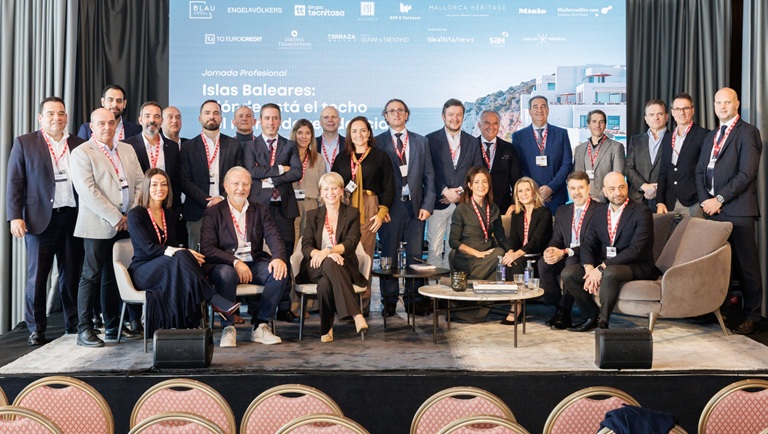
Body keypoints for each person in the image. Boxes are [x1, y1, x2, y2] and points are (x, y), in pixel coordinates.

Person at [6, 96, 85, 345]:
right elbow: (15, 182)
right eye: (50, 113)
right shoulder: (25, 143)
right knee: (38, 277)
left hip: (73, 217)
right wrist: (15, 216)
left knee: (71, 275)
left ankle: (74, 323)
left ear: (66, 117)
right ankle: (36, 328)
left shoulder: (79, 144)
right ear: (41, 117)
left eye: (60, 113)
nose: (56, 118)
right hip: (39, 219)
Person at [127, 168, 240, 338]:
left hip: (168, 268)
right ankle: (213, 299)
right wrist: (183, 252)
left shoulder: (168, 214)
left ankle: (198, 317)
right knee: (183, 254)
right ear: (146, 188)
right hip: (143, 270)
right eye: (154, 185)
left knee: (185, 256)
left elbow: (173, 245)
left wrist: (184, 252)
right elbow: (148, 248)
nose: (160, 189)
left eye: (164, 184)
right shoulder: (136, 214)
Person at [70, 108, 144, 347]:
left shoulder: (127, 149)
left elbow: (141, 182)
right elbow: (88, 191)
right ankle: (84, 329)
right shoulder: (82, 152)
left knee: (113, 276)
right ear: (92, 127)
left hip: (126, 222)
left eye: (111, 123)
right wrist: (115, 217)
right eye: (101, 123)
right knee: (90, 275)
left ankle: (113, 327)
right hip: (98, 224)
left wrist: (130, 215)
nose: (107, 128)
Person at [696, 87, 763, 335]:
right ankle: (718, 310)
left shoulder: (748, 133)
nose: (722, 107)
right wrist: (706, 201)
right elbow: (700, 170)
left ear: (737, 104)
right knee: (719, 265)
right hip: (712, 211)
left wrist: (720, 199)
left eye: (727, 102)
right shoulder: (711, 135)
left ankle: (753, 315)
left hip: (738, 210)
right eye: (718, 102)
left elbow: (747, 174)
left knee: (746, 266)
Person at [201, 167, 288, 347]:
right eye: (236, 184)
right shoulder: (213, 212)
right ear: (226, 186)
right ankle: (228, 327)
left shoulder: (260, 210)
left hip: (253, 262)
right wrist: (235, 262)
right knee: (226, 274)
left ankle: (261, 325)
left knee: (278, 272)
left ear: (250, 187)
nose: (240, 188)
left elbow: (274, 236)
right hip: (224, 264)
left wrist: (278, 258)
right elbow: (208, 249)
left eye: (245, 184)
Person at [562, 172, 659, 332]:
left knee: (610, 273)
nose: (618, 192)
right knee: (569, 274)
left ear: (627, 187)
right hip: (606, 263)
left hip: (635, 264)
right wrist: (588, 267)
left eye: (621, 187)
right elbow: (588, 244)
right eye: (612, 189)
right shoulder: (599, 212)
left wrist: (602, 267)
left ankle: (603, 322)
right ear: (604, 191)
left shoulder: (642, 212)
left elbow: (636, 250)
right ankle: (591, 315)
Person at [376, 99, 436, 317]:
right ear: (385, 116)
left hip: (416, 207)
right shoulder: (377, 142)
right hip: (390, 209)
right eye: (392, 111)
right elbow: (375, 178)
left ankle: (414, 300)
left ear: (407, 114)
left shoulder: (421, 141)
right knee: (388, 256)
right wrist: (381, 209)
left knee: (415, 256)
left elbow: (429, 175)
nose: (396, 114)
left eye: (400, 110)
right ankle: (389, 302)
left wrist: (428, 205)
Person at [243, 103, 302, 323]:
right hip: (258, 210)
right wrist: (279, 170)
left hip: (283, 210)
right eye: (267, 118)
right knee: (256, 255)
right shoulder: (250, 146)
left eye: (275, 118)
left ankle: (284, 308)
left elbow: (296, 172)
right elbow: (251, 171)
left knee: (283, 256)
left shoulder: (290, 145)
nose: (271, 122)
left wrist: (267, 178)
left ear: (280, 121)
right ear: (260, 121)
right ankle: (256, 308)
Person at [332, 116, 395, 315]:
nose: (359, 134)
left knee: (365, 256)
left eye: (363, 130)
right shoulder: (342, 158)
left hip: (369, 207)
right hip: (344, 208)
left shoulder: (380, 156)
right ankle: (345, 305)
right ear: (349, 135)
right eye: (354, 131)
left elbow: (389, 186)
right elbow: (333, 184)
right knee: (344, 256)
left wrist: (381, 213)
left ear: (369, 133)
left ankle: (363, 305)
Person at [298, 173, 369, 342]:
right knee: (329, 262)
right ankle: (356, 314)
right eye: (326, 189)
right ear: (321, 193)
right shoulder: (312, 215)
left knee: (325, 284)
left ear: (342, 191)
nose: (330, 193)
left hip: (343, 266)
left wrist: (328, 251)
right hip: (315, 265)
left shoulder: (352, 213)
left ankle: (326, 329)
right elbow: (306, 245)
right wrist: (322, 253)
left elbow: (351, 243)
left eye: (334, 188)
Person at [426, 99, 482, 270]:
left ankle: (449, 285)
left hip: (462, 204)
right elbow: (428, 171)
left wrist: (460, 192)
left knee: (454, 250)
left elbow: (477, 170)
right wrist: (445, 191)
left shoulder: (472, 141)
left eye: (459, 115)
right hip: (438, 203)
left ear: (463, 117)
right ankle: (433, 286)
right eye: (451, 114)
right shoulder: (430, 140)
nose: (455, 118)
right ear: (443, 116)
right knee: (434, 249)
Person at [180, 99, 243, 249]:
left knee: (226, 254)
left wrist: (221, 198)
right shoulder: (188, 146)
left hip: (227, 208)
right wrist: (207, 201)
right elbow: (184, 180)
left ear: (221, 118)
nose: (211, 116)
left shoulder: (234, 145)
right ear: (200, 117)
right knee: (197, 256)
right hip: (197, 211)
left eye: (216, 113)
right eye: (207, 113)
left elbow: (240, 177)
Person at [538, 171, 597, 329]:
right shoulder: (562, 210)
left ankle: (564, 312)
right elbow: (557, 239)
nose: (577, 192)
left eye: (581, 187)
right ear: (568, 189)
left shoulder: (599, 210)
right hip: (566, 253)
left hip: (586, 256)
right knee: (543, 263)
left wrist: (565, 252)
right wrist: (550, 250)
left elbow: (592, 243)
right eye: (572, 188)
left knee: (570, 262)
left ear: (589, 187)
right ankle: (558, 308)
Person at [501, 176, 553, 324]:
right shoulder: (517, 214)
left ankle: (516, 307)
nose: (523, 194)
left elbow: (537, 241)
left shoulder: (544, 213)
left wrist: (516, 254)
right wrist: (510, 252)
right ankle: (515, 303)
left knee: (517, 262)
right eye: (520, 191)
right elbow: (513, 239)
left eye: (527, 190)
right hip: (521, 255)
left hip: (537, 256)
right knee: (508, 262)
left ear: (534, 192)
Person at [512, 96, 573, 213]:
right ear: (529, 111)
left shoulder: (561, 134)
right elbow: (518, 166)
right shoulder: (519, 136)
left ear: (548, 110)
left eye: (543, 106)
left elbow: (567, 164)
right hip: (531, 198)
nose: (539, 110)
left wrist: (551, 187)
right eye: (535, 107)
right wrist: (536, 190)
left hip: (556, 197)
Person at [657, 93, 708, 217]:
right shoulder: (667, 138)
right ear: (672, 112)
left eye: (686, 108)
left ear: (692, 110)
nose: (682, 112)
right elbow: (663, 171)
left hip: (694, 203)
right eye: (678, 109)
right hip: (670, 203)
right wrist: (660, 201)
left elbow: (707, 171)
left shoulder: (704, 135)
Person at [124, 102, 181, 210]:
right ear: (140, 120)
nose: (152, 120)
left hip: (166, 208)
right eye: (147, 116)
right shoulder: (127, 146)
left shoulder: (172, 147)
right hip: (138, 206)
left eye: (157, 116)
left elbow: (176, 182)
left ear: (161, 121)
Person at [572, 110, 625, 202]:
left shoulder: (616, 147)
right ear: (588, 125)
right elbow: (576, 177)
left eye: (601, 122)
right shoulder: (579, 149)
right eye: (594, 121)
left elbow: (617, 177)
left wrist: (600, 198)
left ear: (605, 125)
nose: (597, 125)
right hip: (583, 200)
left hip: (606, 201)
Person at [625, 99, 668, 209]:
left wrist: (656, 188)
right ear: (646, 119)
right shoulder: (636, 140)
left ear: (667, 117)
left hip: (664, 199)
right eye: (651, 114)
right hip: (638, 199)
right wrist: (644, 186)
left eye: (660, 114)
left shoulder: (674, 139)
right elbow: (628, 168)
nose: (656, 118)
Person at [290, 119, 327, 246]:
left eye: (308, 133)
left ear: (312, 136)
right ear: (294, 134)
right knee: (292, 241)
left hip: (311, 204)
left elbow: (322, 186)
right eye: (300, 133)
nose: (304, 137)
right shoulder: (287, 156)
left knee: (308, 242)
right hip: (291, 204)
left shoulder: (318, 158)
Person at [477, 110, 521, 214]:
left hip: (503, 208)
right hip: (476, 207)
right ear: (479, 125)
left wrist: (514, 203)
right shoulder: (471, 146)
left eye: (495, 123)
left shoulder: (509, 148)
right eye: (487, 123)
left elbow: (516, 180)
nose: (491, 127)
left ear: (499, 126)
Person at [161, 106, 189, 245]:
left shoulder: (190, 144)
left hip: (189, 207)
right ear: (161, 121)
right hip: (167, 207)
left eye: (178, 117)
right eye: (170, 117)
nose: (175, 120)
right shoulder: (158, 146)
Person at [77, 84, 141, 141]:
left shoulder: (136, 130)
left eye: (119, 101)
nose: (114, 105)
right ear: (103, 102)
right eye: (110, 100)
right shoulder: (87, 129)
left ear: (124, 103)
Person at [316, 106, 345, 173]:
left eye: (334, 117)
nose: (330, 120)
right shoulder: (312, 144)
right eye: (326, 117)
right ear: (320, 122)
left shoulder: (349, 143)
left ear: (339, 120)